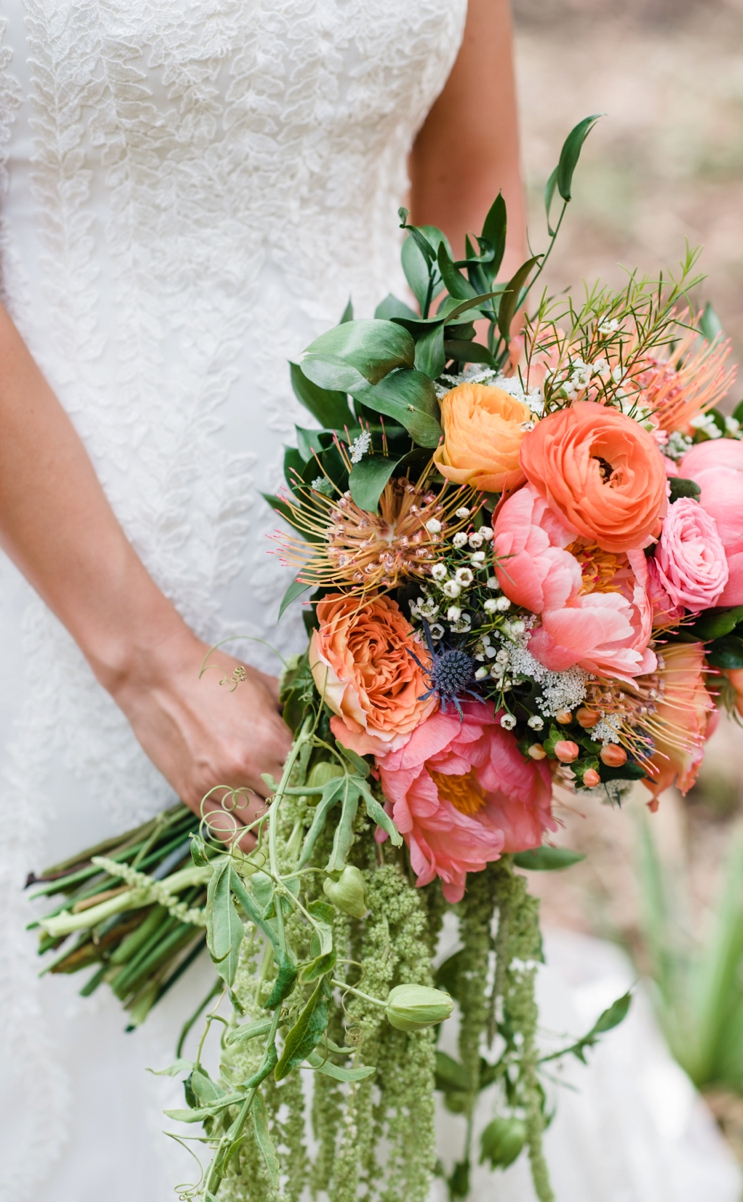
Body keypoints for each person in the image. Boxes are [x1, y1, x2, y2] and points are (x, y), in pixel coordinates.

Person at [0, 4, 525, 1199]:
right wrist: (144, 660)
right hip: (61, 569)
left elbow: (470, 185)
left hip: (394, 580)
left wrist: (482, 568)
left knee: (374, 1070)